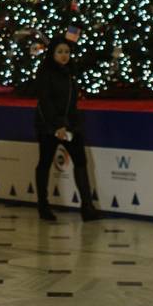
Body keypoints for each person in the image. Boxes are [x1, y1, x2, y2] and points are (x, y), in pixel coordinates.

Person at [33, 38, 99, 222]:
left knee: (80, 161)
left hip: (70, 125)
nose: (64, 56)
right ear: (52, 54)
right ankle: (43, 206)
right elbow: (46, 102)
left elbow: (71, 102)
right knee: (45, 163)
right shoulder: (46, 73)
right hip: (49, 127)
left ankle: (87, 207)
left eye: (67, 52)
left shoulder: (70, 73)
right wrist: (57, 126)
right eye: (60, 52)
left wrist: (70, 124)